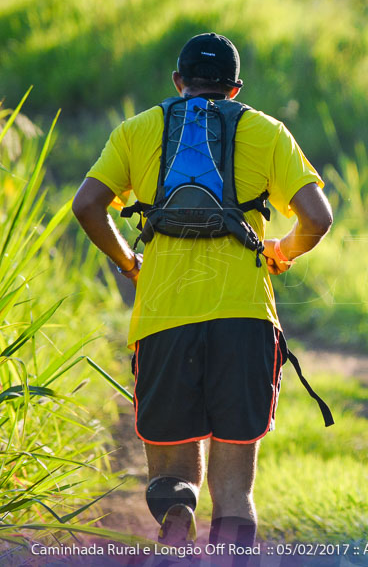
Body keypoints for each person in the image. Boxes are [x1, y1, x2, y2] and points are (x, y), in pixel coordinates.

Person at [72, 33, 334, 552]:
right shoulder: (266, 131)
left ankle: (176, 524)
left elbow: (87, 205)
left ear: (178, 82)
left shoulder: (138, 129)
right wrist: (280, 251)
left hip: (165, 318)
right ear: (235, 90)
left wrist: (129, 263)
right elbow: (318, 218)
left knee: (172, 478)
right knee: (235, 493)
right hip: (245, 321)